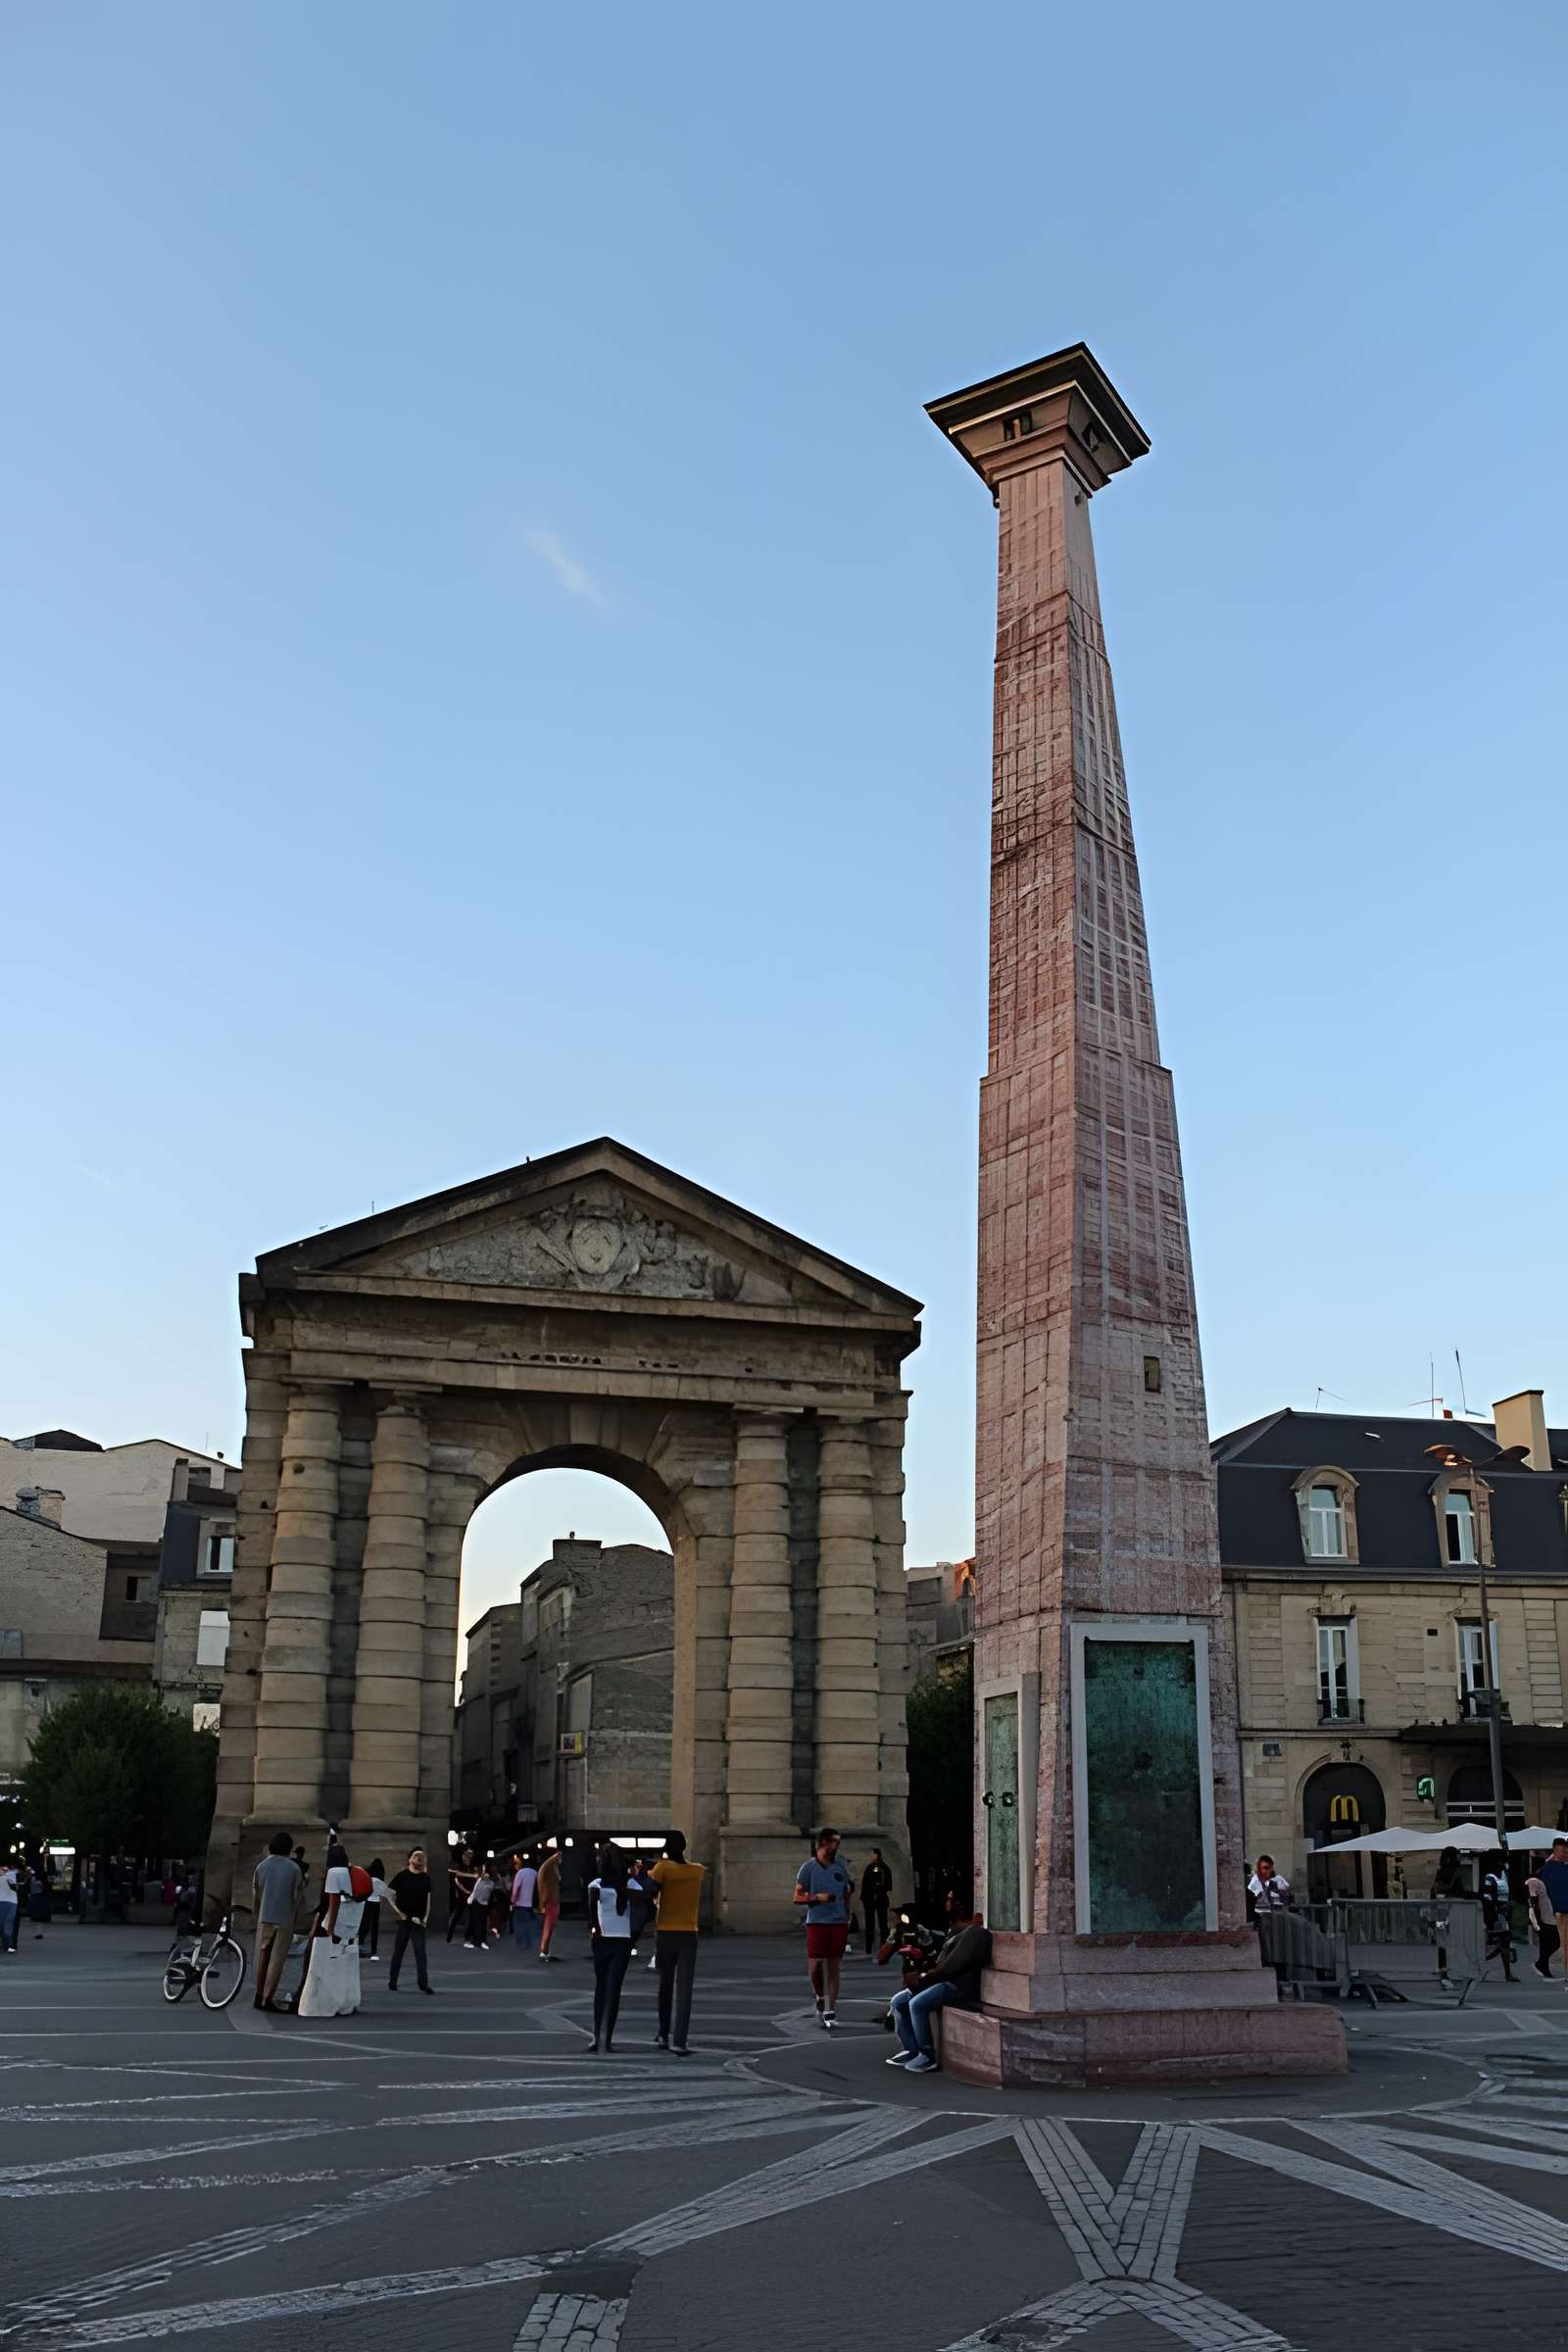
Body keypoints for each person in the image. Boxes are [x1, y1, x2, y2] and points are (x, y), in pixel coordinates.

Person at [887, 1912, 993, 2074]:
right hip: (941, 1979)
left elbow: (954, 1965)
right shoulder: (957, 1932)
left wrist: (927, 1978)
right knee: (898, 2001)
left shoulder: (976, 1934)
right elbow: (940, 1959)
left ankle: (927, 2054)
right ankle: (910, 2049)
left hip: (957, 1985)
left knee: (917, 2004)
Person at [649, 1830, 705, 2055]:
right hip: (689, 1931)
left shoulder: (662, 1869)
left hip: (665, 1931)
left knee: (665, 1984)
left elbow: (652, 1892)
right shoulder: (698, 1871)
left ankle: (663, 2034)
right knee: (685, 1989)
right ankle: (680, 2041)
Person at [794, 1828, 853, 2031]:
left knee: (834, 1966)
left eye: (838, 1842)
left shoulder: (840, 1868)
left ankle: (830, 2008)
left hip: (838, 1922)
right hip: (817, 1921)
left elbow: (847, 1892)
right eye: (832, 1842)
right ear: (821, 1844)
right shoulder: (808, 1868)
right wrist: (815, 1898)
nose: (836, 1846)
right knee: (817, 1965)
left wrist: (848, 1914)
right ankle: (820, 1995)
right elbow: (797, 1897)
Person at [297, 1842, 365, 2018]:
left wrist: (326, 1929)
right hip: (348, 1928)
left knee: (315, 1964)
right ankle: (343, 2001)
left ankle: (311, 1999)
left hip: (329, 1926)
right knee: (341, 1965)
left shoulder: (333, 1875)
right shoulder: (353, 1874)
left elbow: (330, 1904)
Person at [587, 1841, 634, 2052]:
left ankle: (599, 2036)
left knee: (603, 1987)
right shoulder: (629, 1884)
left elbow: (591, 1917)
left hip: (604, 1940)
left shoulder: (597, 1885)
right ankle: (604, 2037)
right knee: (612, 1989)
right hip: (620, 1940)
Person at [251, 1831, 303, 2013]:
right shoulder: (294, 1868)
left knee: (262, 1957)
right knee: (276, 1960)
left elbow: (256, 1894)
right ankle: (268, 1998)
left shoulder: (261, 1867)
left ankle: (258, 1994)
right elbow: (297, 1896)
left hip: (265, 1917)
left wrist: (256, 1914)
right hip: (284, 1918)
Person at [386, 1848, 435, 1994]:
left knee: (420, 1953)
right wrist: (398, 1912)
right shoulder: (402, 1876)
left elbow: (428, 1899)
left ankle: (423, 1984)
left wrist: (425, 1918)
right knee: (398, 1952)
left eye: (421, 1857)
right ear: (410, 1860)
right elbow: (389, 1894)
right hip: (404, 1920)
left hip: (418, 1921)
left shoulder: (425, 1878)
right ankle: (392, 1981)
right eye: (416, 1857)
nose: (419, 1860)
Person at [1526, 1860, 1559, 1981]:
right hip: (1542, 1918)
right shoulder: (1534, 1882)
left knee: (1548, 1943)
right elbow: (1532, 1900)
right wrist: (1535, 1918)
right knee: (1554, 1941)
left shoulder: (1543, 1882)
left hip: (1549, 1916)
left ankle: (1542, 1964)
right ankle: (1541, 1963)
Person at [859, 1849, 893, 1957]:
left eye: (873, 1854)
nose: (871, 1856)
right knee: (877, 1923)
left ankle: (877, 1947)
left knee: (878, 1923)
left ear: (877, 1855)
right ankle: (876, 1946)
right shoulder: (877, 1867)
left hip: (875, 1899)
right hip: (874, 1899)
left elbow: (884, 1884)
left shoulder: (878, 1868)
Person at [510, 1849, 540, 1956]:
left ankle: (520, 1943)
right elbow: (538, 1887)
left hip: (520, 1903)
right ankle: (528, 1942)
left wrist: (513, 1901)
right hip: (530, 1903)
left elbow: (516, 1888)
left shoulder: (520, 1873)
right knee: (528, 1924)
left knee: (518, 1924)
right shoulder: (535, 1873)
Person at [358, 1858, 388, 1960]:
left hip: (367, 1902)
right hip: (376, 1903)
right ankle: (373, 1949)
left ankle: (359, 1944)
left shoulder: (368, 1879)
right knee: (375, 1927)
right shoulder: (379, 1881)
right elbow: (386, 1893)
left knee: (364, 1924)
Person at [536, 1843, 562, 1962]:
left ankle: (546, 1950)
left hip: (554, 1899)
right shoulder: (548, 1867)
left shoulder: (553, 1867)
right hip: (550, 1900)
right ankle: (544, 1950)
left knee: (551, 1925)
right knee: (548, 1925)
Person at [446, 1847, 477, 1943]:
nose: (468, 1858)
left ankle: (469, 1936)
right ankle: (449, 1937)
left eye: (470, 1856)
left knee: (473, 1916)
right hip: (461, 1895)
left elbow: (476, 1877)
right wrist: (465, 1890)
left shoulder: (472, 1867)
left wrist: (472, 1891)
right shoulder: (459, 1866)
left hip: (470, 1894)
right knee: (457, 1916)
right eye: (466, 1855)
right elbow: (456, 1877)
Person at [464, 1860, 497, 1950]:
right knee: (477, 1923)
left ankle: (481, 1941)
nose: (483, 1869)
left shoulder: (489, 1882)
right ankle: (476, 1941)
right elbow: (475, 1890)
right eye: (482, 1868)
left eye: (484, 1868)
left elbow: (486, 1881)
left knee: (481, 1923)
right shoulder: (480, 1879)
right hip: (475, 1903)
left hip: (483, 1904)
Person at [0, 1858, 17, 1954]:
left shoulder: (12, 1875)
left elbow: (15, 1886)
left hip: (11, 1901)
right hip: (5, 1901)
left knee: (7, 1923)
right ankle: (6, 1942)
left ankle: (8, 1943)